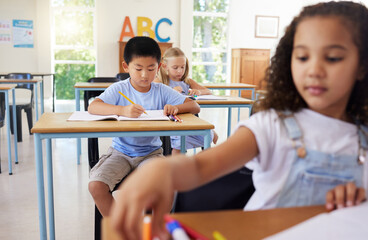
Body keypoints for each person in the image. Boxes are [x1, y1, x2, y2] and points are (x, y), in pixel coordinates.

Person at [110, 2, 368, 239]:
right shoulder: (271, 125)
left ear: (362, 65)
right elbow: (201, 167)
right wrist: (164, 169)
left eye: (333, 58)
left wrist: (357, 196)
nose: (314, 70)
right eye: (302, 57)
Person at [87, 36, 200, 217]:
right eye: (138, 68)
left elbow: (194, 106)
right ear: (126, 67)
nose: (144, 75)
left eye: (151, 69)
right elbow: (93, 106)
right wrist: (122, 110)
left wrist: (176, 107)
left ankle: (156, 230)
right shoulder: (119, 89)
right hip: (120, 152)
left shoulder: (161, 90)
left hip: (151, 153)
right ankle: (122, 231)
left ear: (159, 66)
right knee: (96, 185)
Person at [154, 47, 218, 154]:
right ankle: (176, 166)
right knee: (179, 143)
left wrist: (198, 91)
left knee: (209, 137)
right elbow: (154, 96)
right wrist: (171, 91)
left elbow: (208, 91)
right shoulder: (160, 82)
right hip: (173, 120)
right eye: (175, 67)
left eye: (182, 67)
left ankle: (205, 163)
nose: (180, 71)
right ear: (165, 67)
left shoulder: (186, 81)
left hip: (189, 117)